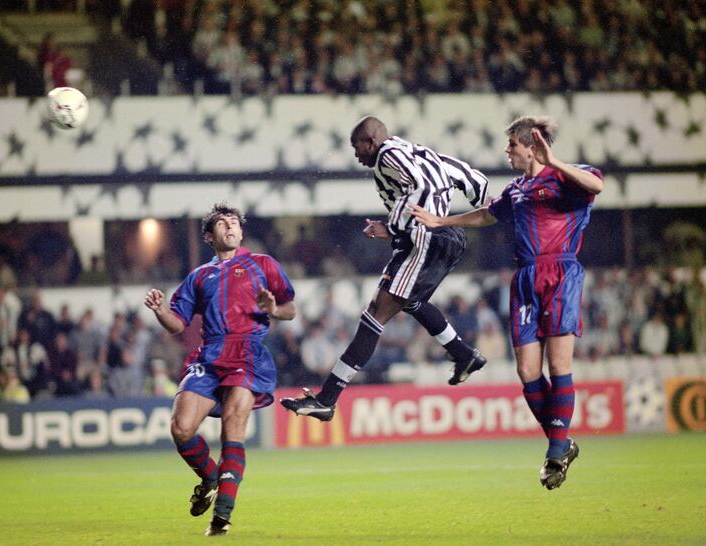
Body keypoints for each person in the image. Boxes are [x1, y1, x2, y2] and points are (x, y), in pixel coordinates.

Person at [410, 115, 603, 490]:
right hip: (526, 277)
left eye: (512, 144)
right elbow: (486, 214)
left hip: (561, 272)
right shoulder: (515, 189)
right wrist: (439, 221)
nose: (507, 150)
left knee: (558, 364)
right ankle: (563, 443)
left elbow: (596, 185)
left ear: (532, 144)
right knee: (528, 372)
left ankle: (553, 456)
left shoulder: (567, 175)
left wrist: (554, 162)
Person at [281, 116, 489, 422]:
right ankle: (463, 354)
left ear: (371, 141)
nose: (356, 155)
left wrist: (392, 226)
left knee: (376, 314)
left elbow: (422, 186)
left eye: (357, 147)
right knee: (410, 302)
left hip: (426, 237)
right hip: (441, 236)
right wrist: (485, 209)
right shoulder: (421, 152)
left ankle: (327, 399)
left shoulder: (387, 154)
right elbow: (474, 180)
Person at [144, 203, 296, 537]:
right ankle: (210, 476)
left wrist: (274, 309)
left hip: (247, 352)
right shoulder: (199, 276)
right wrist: (159, 311)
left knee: (233, 426)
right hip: (209, 355)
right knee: (181, 428)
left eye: (234, 223)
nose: (230, 226)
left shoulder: (263, 264)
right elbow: (176, 324)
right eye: (222, 223)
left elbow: (290, 309)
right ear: (209, 237)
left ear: (241, 232)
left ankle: (221, 518)